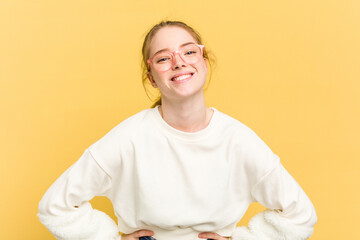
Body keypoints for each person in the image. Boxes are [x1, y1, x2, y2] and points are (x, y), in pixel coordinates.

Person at [38, 21, 317, 240]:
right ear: (152, 78)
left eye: (189, 51)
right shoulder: (129, 138)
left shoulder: (238, 140)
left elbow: (300, 216)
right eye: (162, 58)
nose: (179, 62)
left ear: (204, 62)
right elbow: (55, 208)